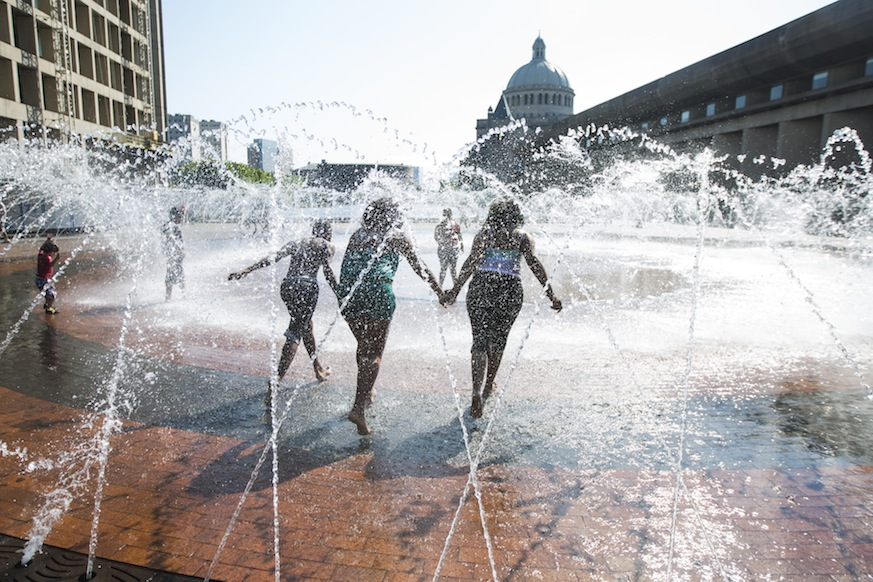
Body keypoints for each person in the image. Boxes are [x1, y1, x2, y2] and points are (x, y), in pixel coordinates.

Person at [444, 200, 562, 418]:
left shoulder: (484, 235)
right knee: (499, 339)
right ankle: (489, 385)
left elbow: (471, 262)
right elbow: (534, 264)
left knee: (479, 340)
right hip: (509, 290)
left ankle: (476, 391)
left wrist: (455, 290)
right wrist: (551, 295)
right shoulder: (523, 237)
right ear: (517, 216)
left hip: (481, 285)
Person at [337, 197, 444, 435]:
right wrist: (440, 292)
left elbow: (345, 267)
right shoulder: (395, 236)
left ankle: (367, 391)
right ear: (392, 216)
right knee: (374, 353)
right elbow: (420, 267)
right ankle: (357, 409)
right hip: (377, 290)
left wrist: (341, 300)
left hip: (348, 294)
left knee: (363, 346)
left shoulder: (357, 235)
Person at [228, 219, 339, 386]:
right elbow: (328, 272)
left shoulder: (298, 242)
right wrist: (340, 294)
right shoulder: (326, 245)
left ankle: (318, 369)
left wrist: (246, 270)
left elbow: (273, 258)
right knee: (295, 331)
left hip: (288, 286)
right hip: (306, 287)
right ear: (328, 233)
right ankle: (277, 378)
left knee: (306, 326)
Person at [434, 207, 464, 287]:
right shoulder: (452, 224)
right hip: (451, 248)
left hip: (446, 248)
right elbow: (459, 235)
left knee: (444, 269)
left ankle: (441, 286)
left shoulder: (442, 224)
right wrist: (461, 245)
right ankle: (454, 287)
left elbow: (436, 237)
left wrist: (442, 243)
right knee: (452, 269)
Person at [161, 206, 185, 301]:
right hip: (173, 255)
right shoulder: (170, 226)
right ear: (174, 216)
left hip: (174, 255)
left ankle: (174, 297)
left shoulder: (170, 225)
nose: (181, 219)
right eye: (180, 216)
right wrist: (180, 249)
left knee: (178, 275)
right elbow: (171, 238)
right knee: (173, 276)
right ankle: (172, 298)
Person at [35, 232, 60, 314]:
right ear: (50, 252)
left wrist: (47, 240)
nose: (54, 254)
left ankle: (46, 304)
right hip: (44, 280)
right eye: (53, 252)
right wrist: (56, 259)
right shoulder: (48, 258)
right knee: (52, 294)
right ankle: (49, 308)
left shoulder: (41, 255)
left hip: (38, 279)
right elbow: (50, 265)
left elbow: (42, 248)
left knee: (47, 293)